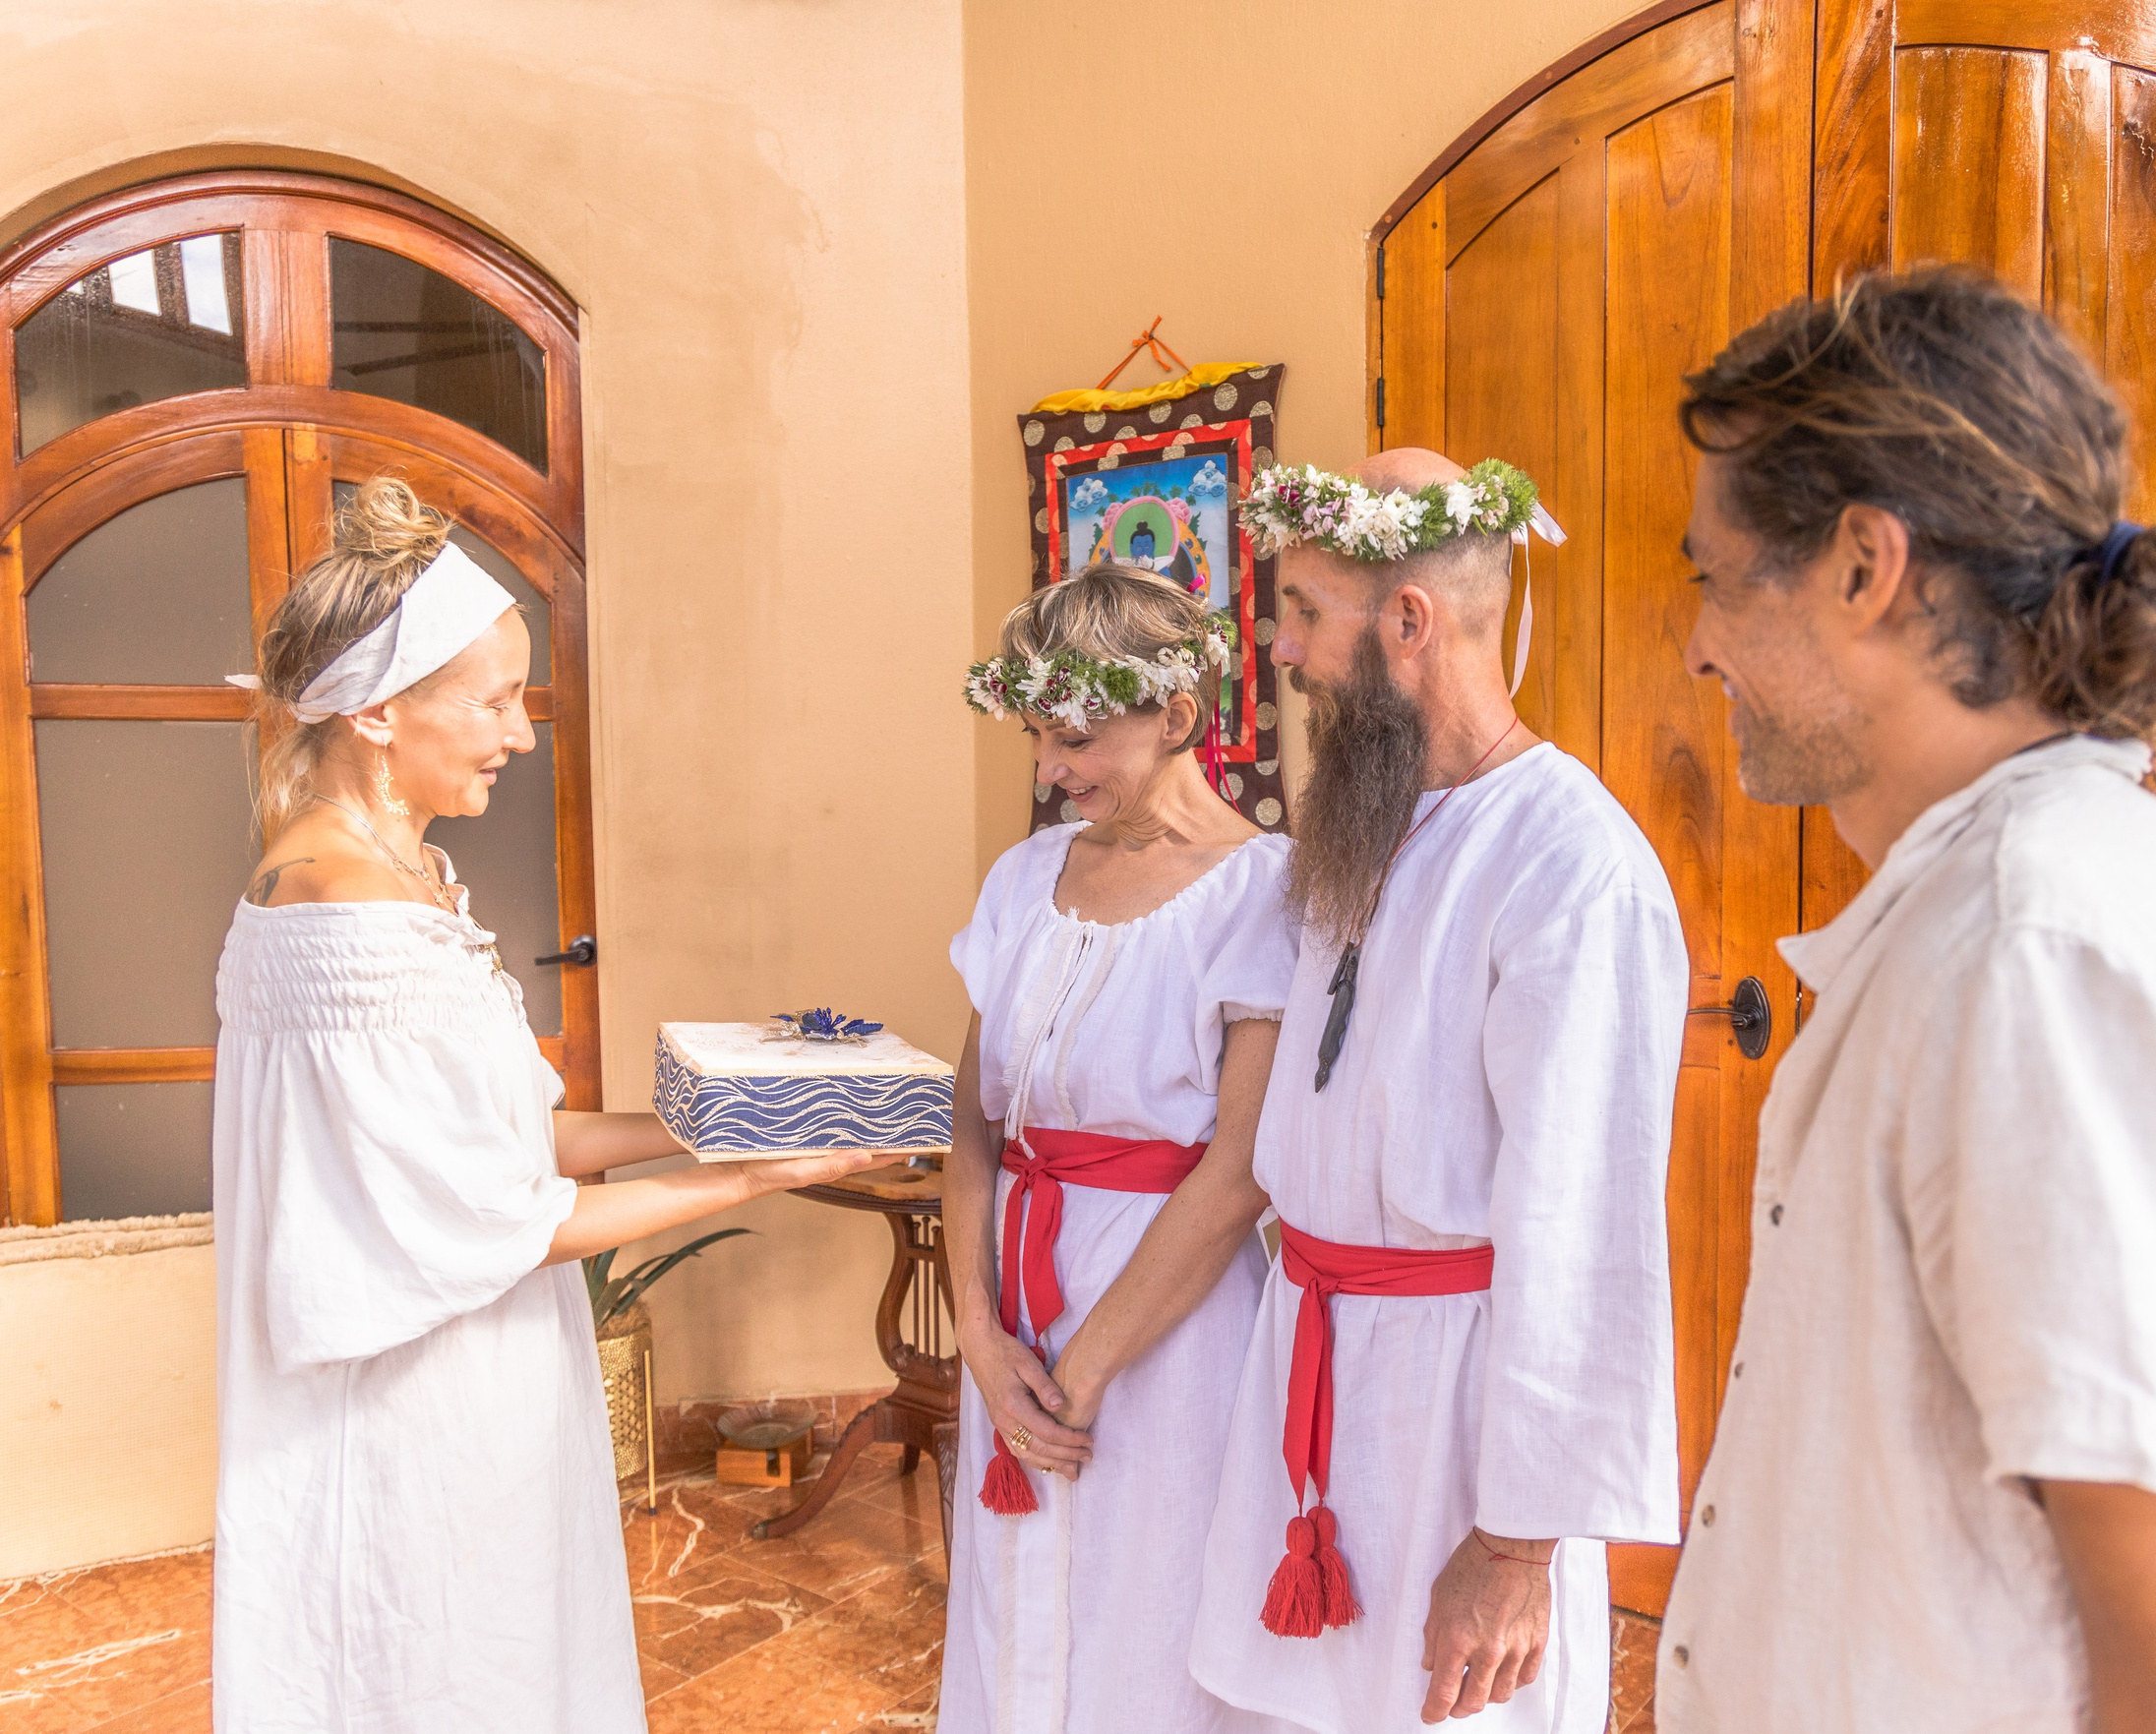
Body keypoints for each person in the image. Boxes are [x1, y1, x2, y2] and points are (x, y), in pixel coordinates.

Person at [1655, 269, 2156, 1734]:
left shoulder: (2039, 956)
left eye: (1714, 578)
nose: (1698, 647)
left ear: (1864, 566)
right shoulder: (2011, 912)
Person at [212, 479, 873, 1733]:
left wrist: (741, 1113)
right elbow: (488, 1214)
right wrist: (755, 1177)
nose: (521, 731)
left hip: (489, 1369)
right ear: (374, 708)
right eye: (493, 699)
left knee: (513, 1656)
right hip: (417, 1403)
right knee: (443, 1673)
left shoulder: (395, 874)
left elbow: (524, 1136)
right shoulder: (352, 917)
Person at [1191, 451, 1688, 1731]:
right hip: (1312, 1372)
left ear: (1407, 624)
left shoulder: (1573, 864)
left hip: (1452, 1423)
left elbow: (1586, 1233)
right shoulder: (1364, 823)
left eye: (1305, 616)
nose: (1287, 655)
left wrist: (1517, 1548)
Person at [940, 563, 1296, 1732]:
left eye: (1081, 736)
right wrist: (983, 1338)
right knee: (1015, 1615)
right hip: (1017, 1311)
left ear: (1180, 718)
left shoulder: (1263, 891)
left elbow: (1239, 1168)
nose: (1051, 767)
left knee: (1150, 1616)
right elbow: (975, 1114)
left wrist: (1082, 1369)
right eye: (1040, 734)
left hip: (1169, 1334)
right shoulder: (1024, 874)